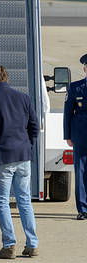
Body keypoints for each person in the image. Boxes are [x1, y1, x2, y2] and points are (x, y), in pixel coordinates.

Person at [0, 66, 39, 259]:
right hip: (23, 155)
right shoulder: (23, 98)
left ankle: (9, 244)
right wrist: (28, 146)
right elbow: (34, 126)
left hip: (2, 155)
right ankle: (32, 243)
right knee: (24, 200)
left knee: (2, 202)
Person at [64, 54, 87, 220]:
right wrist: (67, 135)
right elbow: (67, 113)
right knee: (80, 171)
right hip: (80, 135)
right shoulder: (75, 87)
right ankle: (83, 209)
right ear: (85, 68)